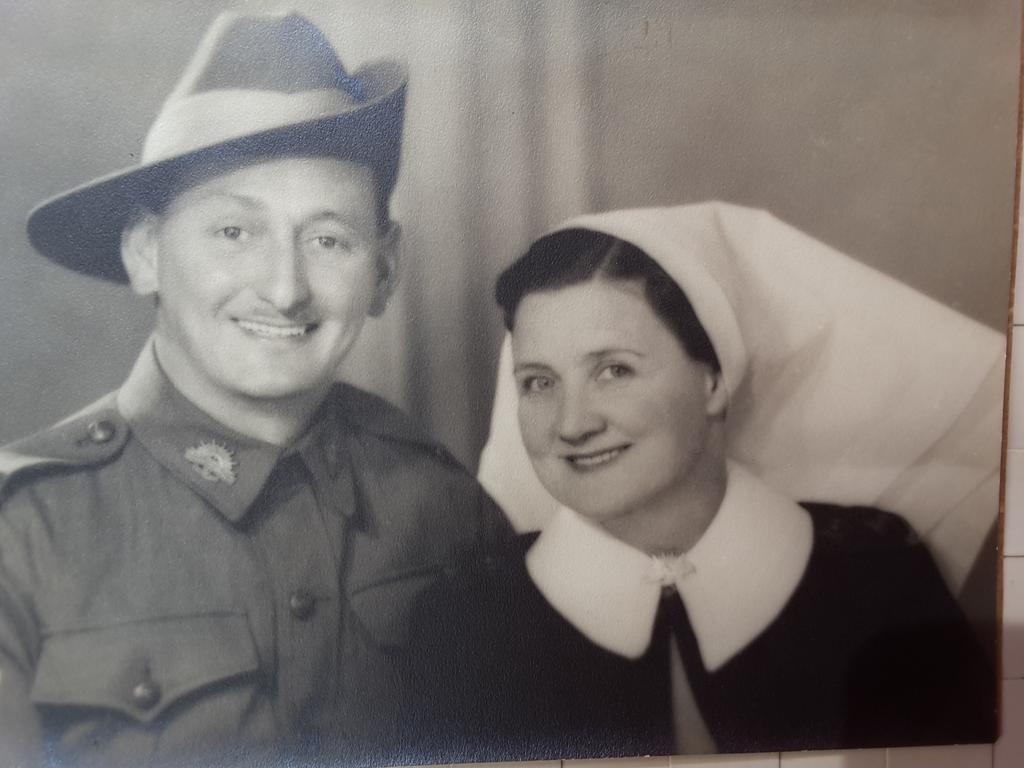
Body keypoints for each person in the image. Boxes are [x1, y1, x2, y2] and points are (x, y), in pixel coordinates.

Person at [0, 11, 509, 767]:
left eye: (329, 239)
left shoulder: (443, 509)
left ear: (384, 270)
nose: (284, 287)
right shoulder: (24, 534)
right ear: (145, 255)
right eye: (234, 232)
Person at [417, 203, 999, 759]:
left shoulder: (877, 573)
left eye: (614, 370)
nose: (573, 423)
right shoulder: (466, 619)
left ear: (713, 381)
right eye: (539, 382)